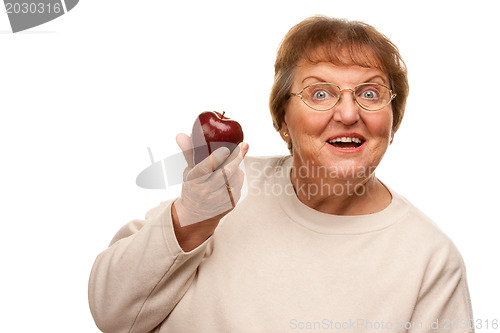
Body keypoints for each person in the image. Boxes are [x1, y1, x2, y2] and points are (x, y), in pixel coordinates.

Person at [89, 16, 474, 332]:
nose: (348, 113)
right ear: (282, 121)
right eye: (320, 93)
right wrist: (191, 219)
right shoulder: (223, 191)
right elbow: (113, 314)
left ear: (393, 122)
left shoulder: (430, 259)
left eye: (370, 94)